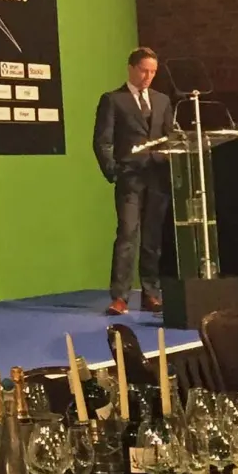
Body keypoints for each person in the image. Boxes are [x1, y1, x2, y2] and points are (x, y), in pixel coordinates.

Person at [93, 47, 173, 316]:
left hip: (157, 178)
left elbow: (171, 137)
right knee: (127, 235)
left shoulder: (162, 101)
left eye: (152, 72)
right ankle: (120, 297)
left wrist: (168, 157)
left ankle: (151, 293)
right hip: (130, 179)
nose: (148, 76)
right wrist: (113, 170)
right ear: (131, 68)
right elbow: (103, 140)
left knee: (152, 239)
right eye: (144, 70)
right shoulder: (114, 100)